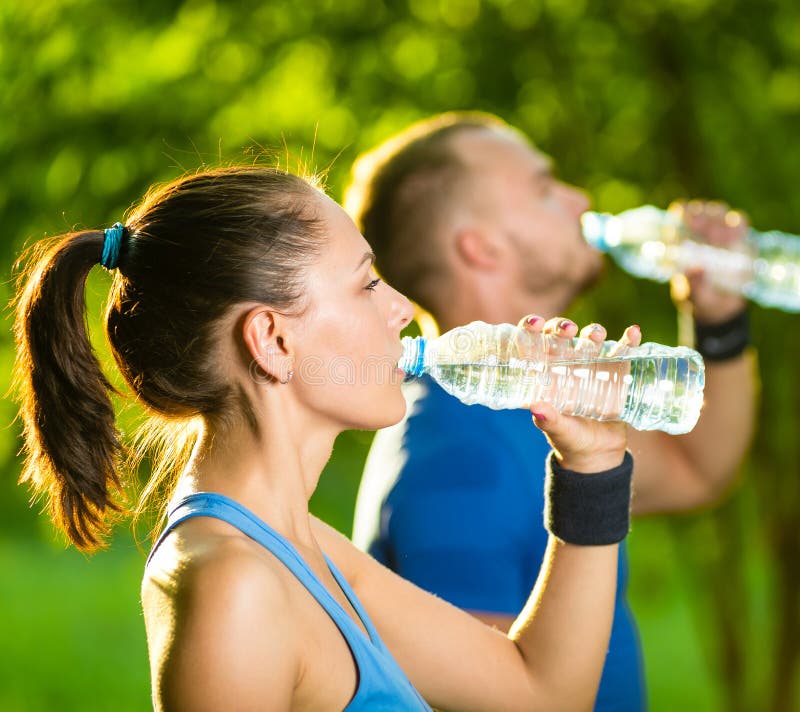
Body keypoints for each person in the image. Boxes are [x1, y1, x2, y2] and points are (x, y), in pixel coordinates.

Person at [14, 164, 648, 711]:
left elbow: (542, 694)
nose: (402, 307)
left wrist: (591, 463)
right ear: (272, 340)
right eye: (368, 283)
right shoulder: (233, 588)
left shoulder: (303, 546)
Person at [347, 112, 757, 711]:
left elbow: (700, 470)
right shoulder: (456, 461)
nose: (579, 200)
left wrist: (718, 320)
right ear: (480, 247)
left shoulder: (537, 405)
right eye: (544, 189)